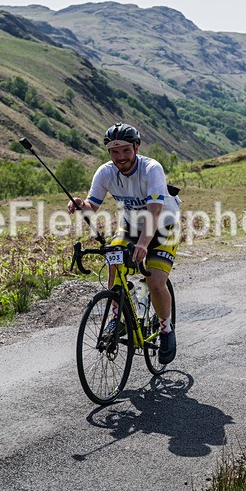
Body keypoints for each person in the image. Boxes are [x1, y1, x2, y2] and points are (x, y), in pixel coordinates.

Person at [67, 122, 181, 364]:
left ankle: (166, 329)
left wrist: (142, 244)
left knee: (155, 280)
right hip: (130, 225)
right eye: (115, 152)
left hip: (163, 224)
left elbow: (155, 210)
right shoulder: (105, 172)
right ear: (109, 153)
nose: (121, 157)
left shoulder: (152, 169)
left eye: (126, 151)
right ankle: (116, 319)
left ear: (136, 148)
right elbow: (92, 205)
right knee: (113, 259)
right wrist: (80, 205)